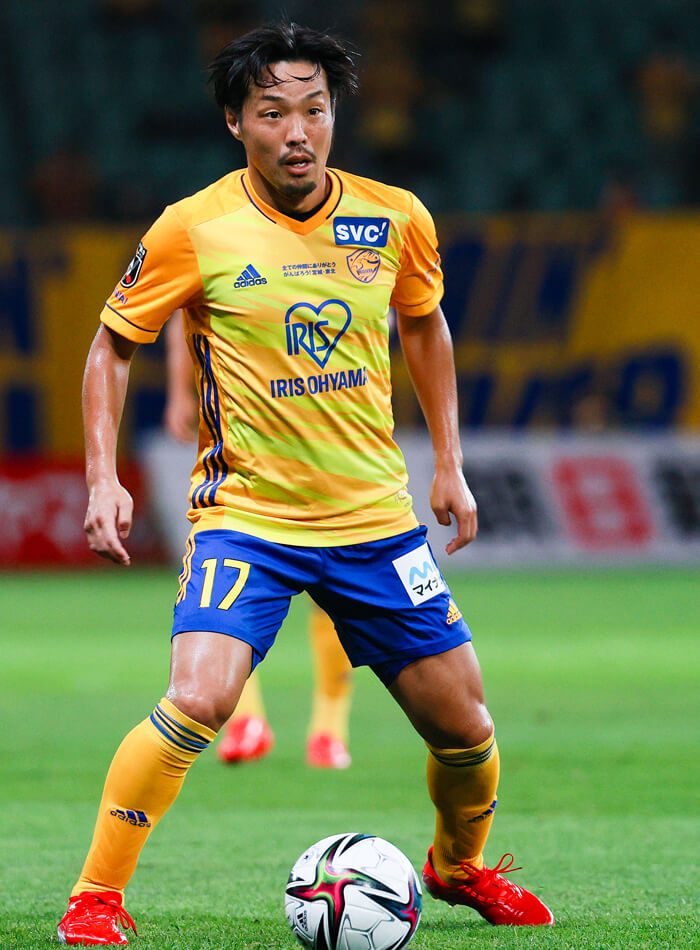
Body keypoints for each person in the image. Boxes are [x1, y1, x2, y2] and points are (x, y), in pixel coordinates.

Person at [58, 22, 554, 945]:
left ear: (335, 115)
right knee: (198, 698)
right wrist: (101, 478)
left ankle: (460, 869)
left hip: (374, 521)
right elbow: (110, 346)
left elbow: (425, 326)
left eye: (315, 110)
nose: (297, 132)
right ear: (235, 123)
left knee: (467, 728)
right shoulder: (192, 227)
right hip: (247, 516)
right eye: (273, 112)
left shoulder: (395, 217)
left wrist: (449, 463)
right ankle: (95, 896)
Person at [164, 312, 353, 768]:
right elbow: (182, 312)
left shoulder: (349, 268)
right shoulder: (228, 266)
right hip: (246, 443)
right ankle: (246, 719)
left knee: (335, 590)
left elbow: (399, 317)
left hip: (331, 439)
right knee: (229, 583)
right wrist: (179, 391)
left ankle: (329, 730)